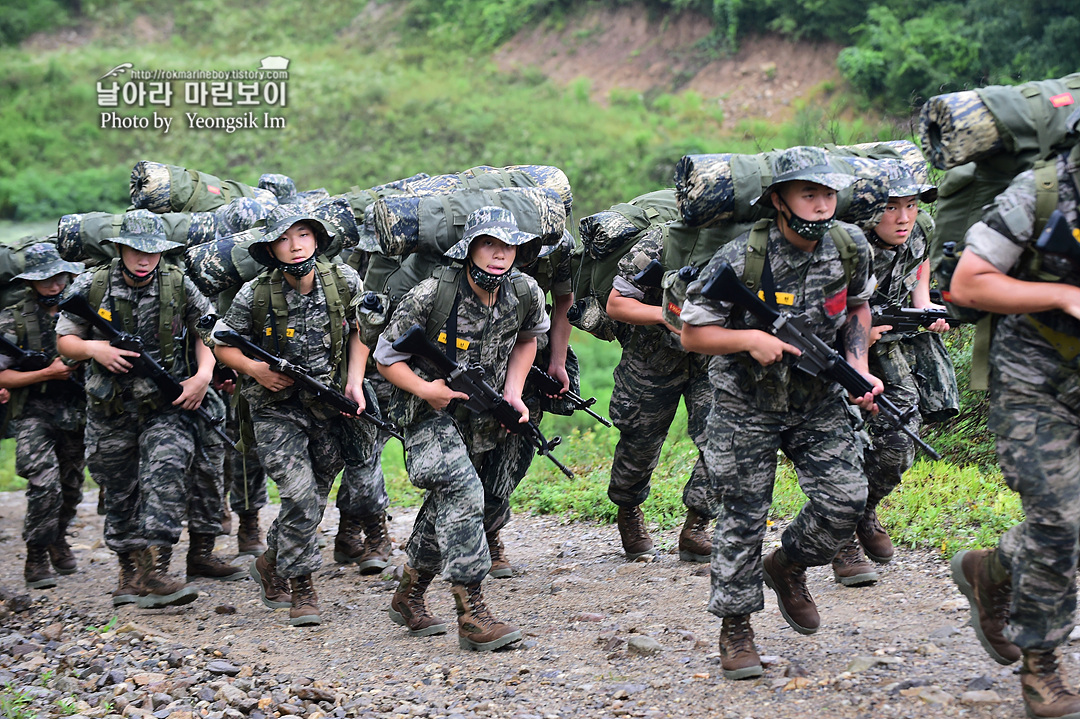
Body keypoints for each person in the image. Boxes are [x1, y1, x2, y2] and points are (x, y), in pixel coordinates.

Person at [679, 146, 880, 680]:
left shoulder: (850, 245)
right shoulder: (740, 256)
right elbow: (691, 333)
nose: (820, 205)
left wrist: (858, 365)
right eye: (808, 194)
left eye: (828, 194)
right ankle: (736, 629)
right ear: (778, 200)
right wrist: (749, 338)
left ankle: (787, 566)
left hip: (816, 401)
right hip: (745, 403)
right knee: (743, 516)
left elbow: (858, 307)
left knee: (846, 501)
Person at [375, 206, 548, 651]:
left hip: (482, 412)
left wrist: (513, 392)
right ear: (469, 249)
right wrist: (425, 389)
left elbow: (529, 338)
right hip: (426, 411)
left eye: (508, 246)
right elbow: (386, 357)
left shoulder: (526, 291)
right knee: (461, 491)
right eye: (489, 244)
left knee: (470, 502)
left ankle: (409, 592)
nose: (499, 255)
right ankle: (472, 612)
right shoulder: (433, 293)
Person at [947, 137, 1080, 718]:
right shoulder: (1042, 194)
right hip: (1034, 385)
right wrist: (1064, 295)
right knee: (1063, 524)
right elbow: (968, 284)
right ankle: (1041, 668)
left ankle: (989, 569)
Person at [208, 204, 367, 627]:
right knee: (298, 496)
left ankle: (271, 561)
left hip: (327, 407)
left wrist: (354, 382)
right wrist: (256, 369)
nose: (295, 246)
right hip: (276, 411)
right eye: (283, 239)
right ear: (271, 250)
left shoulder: (344, 280)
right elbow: (220, 342)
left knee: (312, 501)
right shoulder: (255, 293)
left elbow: (361, 330)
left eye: (302, 235)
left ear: (317, 239)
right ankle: (302, 587)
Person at [56, 211, 214, 609]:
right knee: (119, 486)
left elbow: (208, 331)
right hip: (109, 407)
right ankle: (130, 571)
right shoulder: (92, 284)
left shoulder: (177, 282)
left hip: (165, 405)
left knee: (169, 467)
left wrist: (203, 376)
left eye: (153, 251)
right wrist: (96, 349)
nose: (145, 259)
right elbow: (65, 342)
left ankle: (157, 566)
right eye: (137, 250)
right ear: (122, 249)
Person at [831, 160, 946, 586]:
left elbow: (920, 261)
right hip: (831, 355)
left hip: (888, 347)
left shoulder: (921, 227)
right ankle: (840, 537)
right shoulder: (846, 244)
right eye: (891, 207)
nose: (903, 217)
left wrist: (923, 305)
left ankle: (863, 510)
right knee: (838, 445)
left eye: (911, 205)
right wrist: (857, 334)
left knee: (901, 437)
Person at [605, 224, 717, 563]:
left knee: (724, 438)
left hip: (712, 357)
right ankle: (629, 510)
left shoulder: (742, 240)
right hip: (653, 357)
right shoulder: (661, 240)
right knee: (640, 442)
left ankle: (697, 526)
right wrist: (666, 315)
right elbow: (616, 304)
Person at [478, 227, 576, 577]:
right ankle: (460, 537)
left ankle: (489, 533)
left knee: (516, 444)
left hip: (529, 349)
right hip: (472, 351)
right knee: (470, 450)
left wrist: (558, 360)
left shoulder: (558, 246)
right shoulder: (480, 243)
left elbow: (564, 300)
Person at [0, 243, 86, 589]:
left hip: (76, 411)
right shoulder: (12, 318)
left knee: (71, 487)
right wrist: (44, 374)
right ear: (31, 283)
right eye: (45, 279)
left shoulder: (82, 313)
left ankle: (57, 537)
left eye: (59, 277)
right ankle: (36, 554)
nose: (54, 285)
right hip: (33, 412)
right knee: (43, 483)